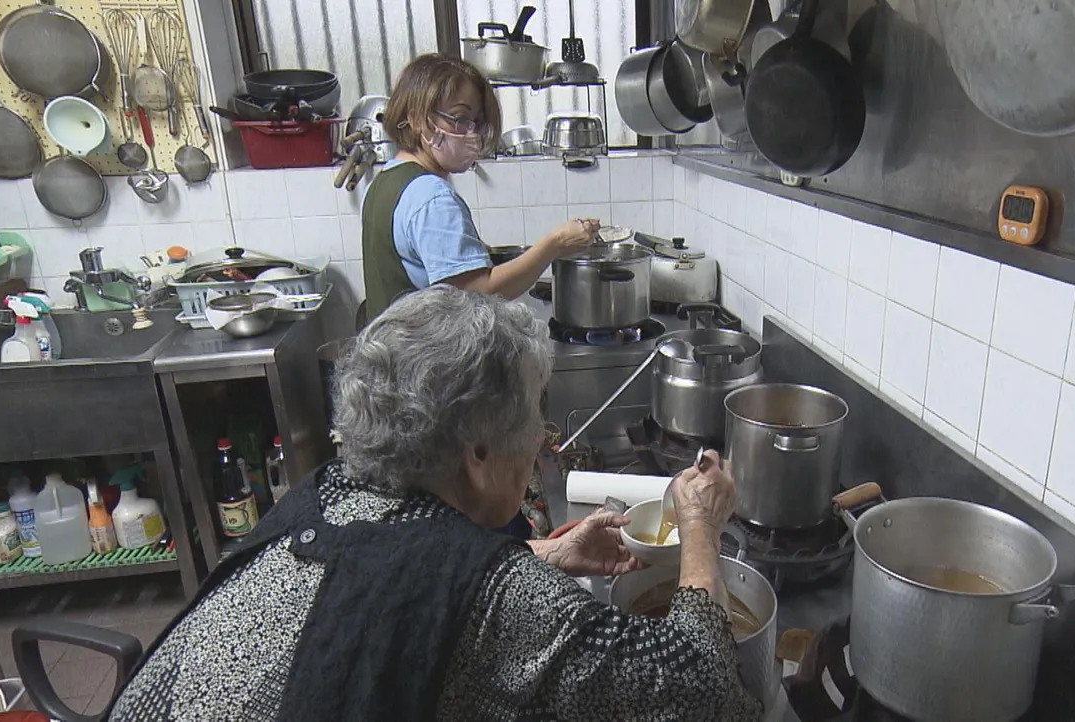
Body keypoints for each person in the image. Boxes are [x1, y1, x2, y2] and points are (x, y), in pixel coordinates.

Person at [108, 287, 761, 721]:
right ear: (477, 451)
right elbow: (705, 692)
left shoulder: (330, 490)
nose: (541, 438)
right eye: (532, 418)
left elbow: (381, 585)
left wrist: (544, 553)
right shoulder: (500, 596)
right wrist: (700, 522)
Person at [361, 53, 602, 320]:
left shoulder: (385, 182)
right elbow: (478, 295)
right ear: (418, 120)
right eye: (460, 118)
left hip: (390, 353)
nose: (471, 133)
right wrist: (554, 245)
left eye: (476, 122)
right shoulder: (432, 197)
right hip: (428, 358)